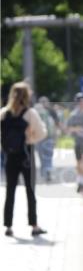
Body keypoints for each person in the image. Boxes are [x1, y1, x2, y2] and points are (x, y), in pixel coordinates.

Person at [2, 82, 48, 237]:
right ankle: (34, 225)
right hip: (26, 154)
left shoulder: (4, 113)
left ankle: (8, 226)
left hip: (10, 156)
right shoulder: (30, 113)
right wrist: (29, 139)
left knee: (10, 190)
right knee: (30, 190)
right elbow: (42, 134)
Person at [34, 97, 58, 183]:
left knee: (46, 156)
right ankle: (45, 172)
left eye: (45, 102)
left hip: (46, 137)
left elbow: (56, 124)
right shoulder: (38, 112)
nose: (44, 104)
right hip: (43, 137)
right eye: (42, 102)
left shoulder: (50, 112)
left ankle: (47, 172)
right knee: (44, 156)